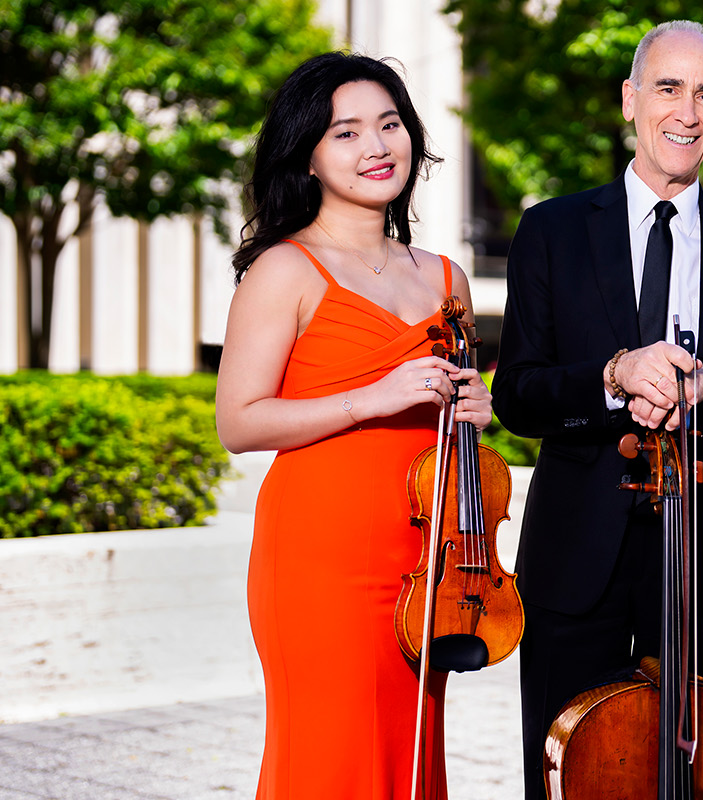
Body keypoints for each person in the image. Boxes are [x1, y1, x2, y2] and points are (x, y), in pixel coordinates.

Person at [489, 20, 703, 796]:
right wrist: (611, 375)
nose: (687, 112)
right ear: (631, 100)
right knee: (566, 778)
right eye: (668, 88)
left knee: (699, 777)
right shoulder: (552, 229)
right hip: (575, 562)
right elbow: (517, 395)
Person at [216, 52, 490, 799]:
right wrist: (371, 398)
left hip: (425, 558)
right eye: (346, 132)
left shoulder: (445, 278)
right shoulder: (286, 269)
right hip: (319, 558)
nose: (377, 147)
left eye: (390, 124)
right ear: (306, 153)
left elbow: (452, 429)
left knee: (409, 757)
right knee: (330, 761)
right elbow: (238, 422)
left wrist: (474, 412)